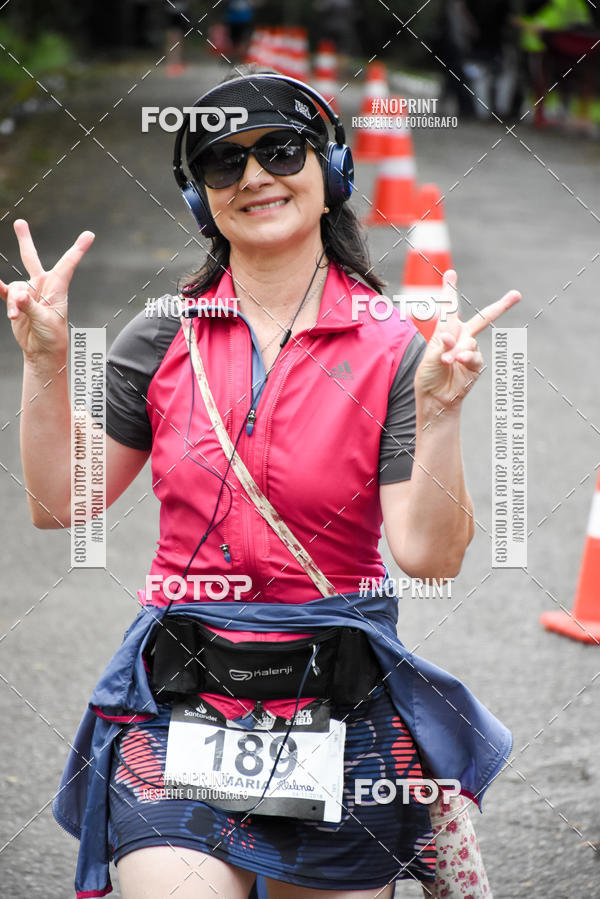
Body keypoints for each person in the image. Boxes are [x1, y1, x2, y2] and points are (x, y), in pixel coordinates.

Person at [1, 68, 521, 899]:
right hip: (180, 698)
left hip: (338, 704)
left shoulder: (392, 349)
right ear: (200, 198)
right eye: (221, 163)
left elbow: (428, 554)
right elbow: (60, 501)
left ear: (331, 173)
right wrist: (46, 364)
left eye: (279, 149)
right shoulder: (161, 335)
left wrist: (445, 415)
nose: (252, 176)